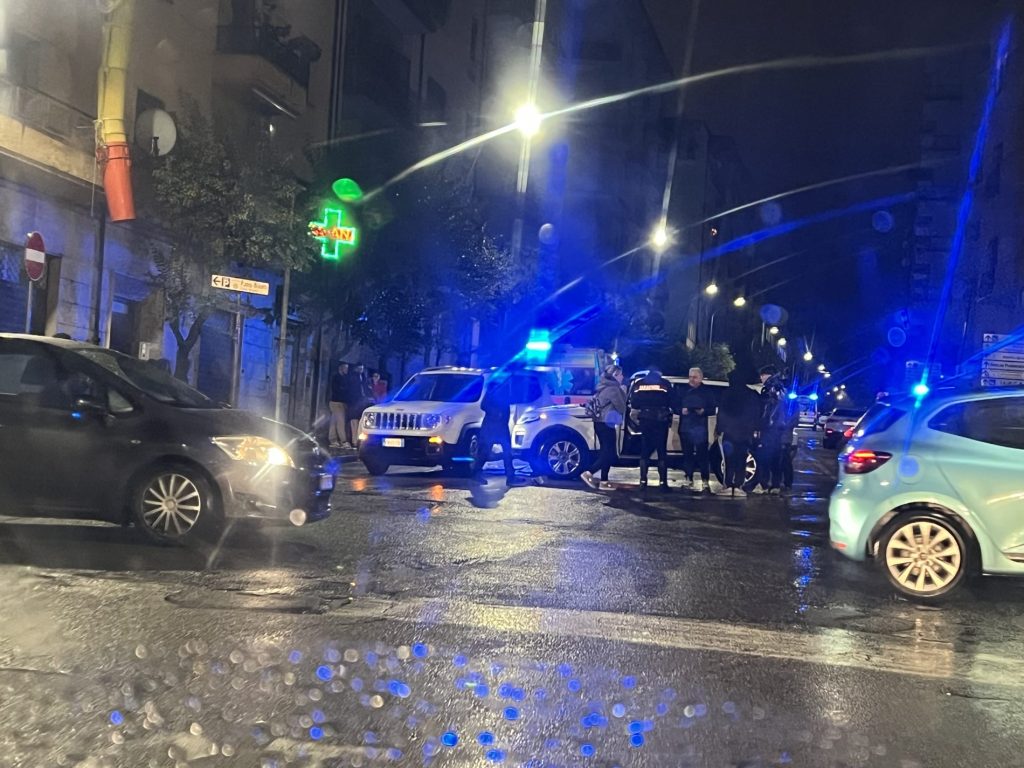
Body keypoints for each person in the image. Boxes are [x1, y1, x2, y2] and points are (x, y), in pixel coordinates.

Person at [715, 368, 762, 497]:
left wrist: (719, 429)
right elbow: (756, 414)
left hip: (729, 432)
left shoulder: (727, 394)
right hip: (745, 434)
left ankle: (728, 485)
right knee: (741, 460)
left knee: (729, 461)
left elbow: (721, 413)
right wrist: (754, 430)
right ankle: (739, 486)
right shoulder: (751, 395)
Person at [580, 364, 627, 489]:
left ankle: (604, 481)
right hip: (607, 423)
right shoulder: (614, 389)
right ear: (615, 375)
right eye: (620, 374)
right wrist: (623, 391)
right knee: (610, 453)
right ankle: (589, 472)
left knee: (605, 452)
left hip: (599, 422)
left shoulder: (602, 387)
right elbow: (622, 407)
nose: (622, 377)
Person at [745, 364, 787, 495]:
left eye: (763, 375)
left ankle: (767, 484)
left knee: (768, 458)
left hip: (772, 431)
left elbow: (773, 410)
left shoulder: (775, 389)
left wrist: (767, 425)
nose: (761, 378)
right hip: (770, 430)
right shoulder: (771, 389)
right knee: (769, 458)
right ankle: (770, 484)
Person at [630, 367, 673, 489]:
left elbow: (634, 403)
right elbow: (672, 400)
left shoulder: (639, 384)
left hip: (645, 419)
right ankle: (663, 483)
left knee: (645, 451)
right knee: (661, 451)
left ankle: (643, 481)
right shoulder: (665, 383)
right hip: (661, 420)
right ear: (659, 373)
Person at [477, 371, 521, 486]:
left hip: (500, 426)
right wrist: (496, 413)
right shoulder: (494, 390)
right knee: (485, 451)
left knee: (507, 452)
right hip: (492, 426)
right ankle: (476, 473)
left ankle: (510, 477)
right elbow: (483, 405)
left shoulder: (504, 390)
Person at [676, 366, 716, 493]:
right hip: (685, 428)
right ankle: (688, 479)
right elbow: (675, 406)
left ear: (701, 378)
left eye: (695, 377)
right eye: (690, 377)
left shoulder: (707, 392)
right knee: (687, 456)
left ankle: (705, 481)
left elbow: (713, 408)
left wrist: (703, 411)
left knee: (703, 456)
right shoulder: (682, 390)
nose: (692, 379)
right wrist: (681, 410)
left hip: (700, 429)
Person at [346, 363, 370, 447]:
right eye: (359, 369)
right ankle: (354, 441)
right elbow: (352, 389)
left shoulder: (363, 377)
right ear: (356, 369)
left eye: (362, 369)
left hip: (361, 401)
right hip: (354, 401)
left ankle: (358, 440)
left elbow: (365, 388)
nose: (361, 370)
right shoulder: (352, 377)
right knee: (354, 421)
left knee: (359, 421)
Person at [328, 362, 350, 449]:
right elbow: (338, 390)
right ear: (341, 368)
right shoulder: (337, 378)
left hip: (336, 402)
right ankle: (343, 441)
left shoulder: (343, 378)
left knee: (334, 421)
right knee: (341, 422)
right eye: (345, 368)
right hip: (337, 402)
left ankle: (333, 440)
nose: (347, 370)